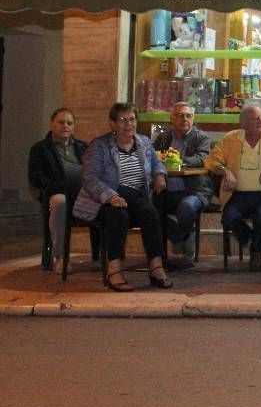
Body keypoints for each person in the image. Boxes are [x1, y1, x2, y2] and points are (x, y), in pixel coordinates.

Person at [72, 103, 172, 292]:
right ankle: (114, 270)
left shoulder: (144, 142)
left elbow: (157, 162)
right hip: (103, 200)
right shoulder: (99, 146)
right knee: (118, 214)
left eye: (132, 119)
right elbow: (89, 178)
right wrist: (110, 196)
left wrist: (159, 174)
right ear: (112, 124)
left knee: (150, 213)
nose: (129, 124)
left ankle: (156, 267)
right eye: (123, 120)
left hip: (134, 199)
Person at [205, 104, 261, 270]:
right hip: (239, 194)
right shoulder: (231, 138)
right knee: (229, 217)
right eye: (256, 119)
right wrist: (225, 171)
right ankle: (256, 241)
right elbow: (211, 161)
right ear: (244, 123)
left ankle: (255, 250)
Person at [153, 102, 213, 268]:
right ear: (172, 119)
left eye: (188, 115)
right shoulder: (163, 138)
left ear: (193, 119)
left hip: (194, 190)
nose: (184, 119)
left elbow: (202, 159)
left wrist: (174, 159)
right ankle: (181, 236)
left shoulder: (201, 138)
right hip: (167, 189)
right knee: (150, 209)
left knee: (186, 207)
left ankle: (185, 245)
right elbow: (152, 158)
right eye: (179, 115)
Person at [28, 108, 88, 271]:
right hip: (57, 193)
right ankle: (60, 257)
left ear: (74, 127)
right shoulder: (40, 149)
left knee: (109, 199)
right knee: (60, 202)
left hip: (83, 193)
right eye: (61, 122)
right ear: (51, 124)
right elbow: (36, 178)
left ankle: (111, 258)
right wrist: (61, 186)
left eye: (69, 123)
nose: (65, 126)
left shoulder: (84, 147)